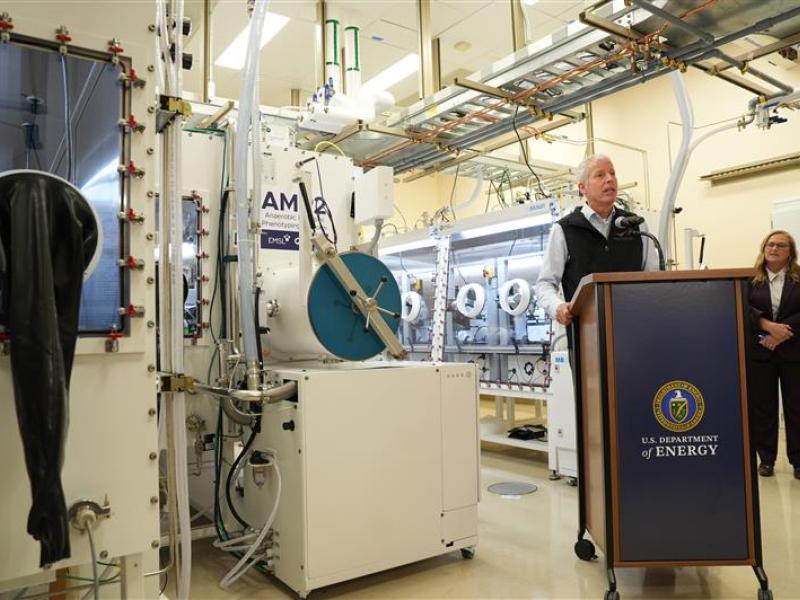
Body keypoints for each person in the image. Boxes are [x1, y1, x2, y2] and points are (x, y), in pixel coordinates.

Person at [535, 154, 659, 328]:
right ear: (583, 187)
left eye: (612, 173)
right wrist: (558, 307)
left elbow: (654, 278)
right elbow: (544, 284)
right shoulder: (565, 229)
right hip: (587, 335)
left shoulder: (636, 225)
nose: (609, 179)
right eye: (600, 175)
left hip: (635, 329)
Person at [748, 229, 800, 479]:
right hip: (761, 351)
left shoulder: (798, 279)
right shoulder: (750, 280)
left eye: (781, 245)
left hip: (794, 352)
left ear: (790, 253)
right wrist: (767, 328)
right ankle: (766, 459)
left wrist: (782, 332)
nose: (774, 248)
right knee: (764, 408)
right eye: (770, 244)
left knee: (796, 408)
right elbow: (744, 309)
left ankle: (798, 461)